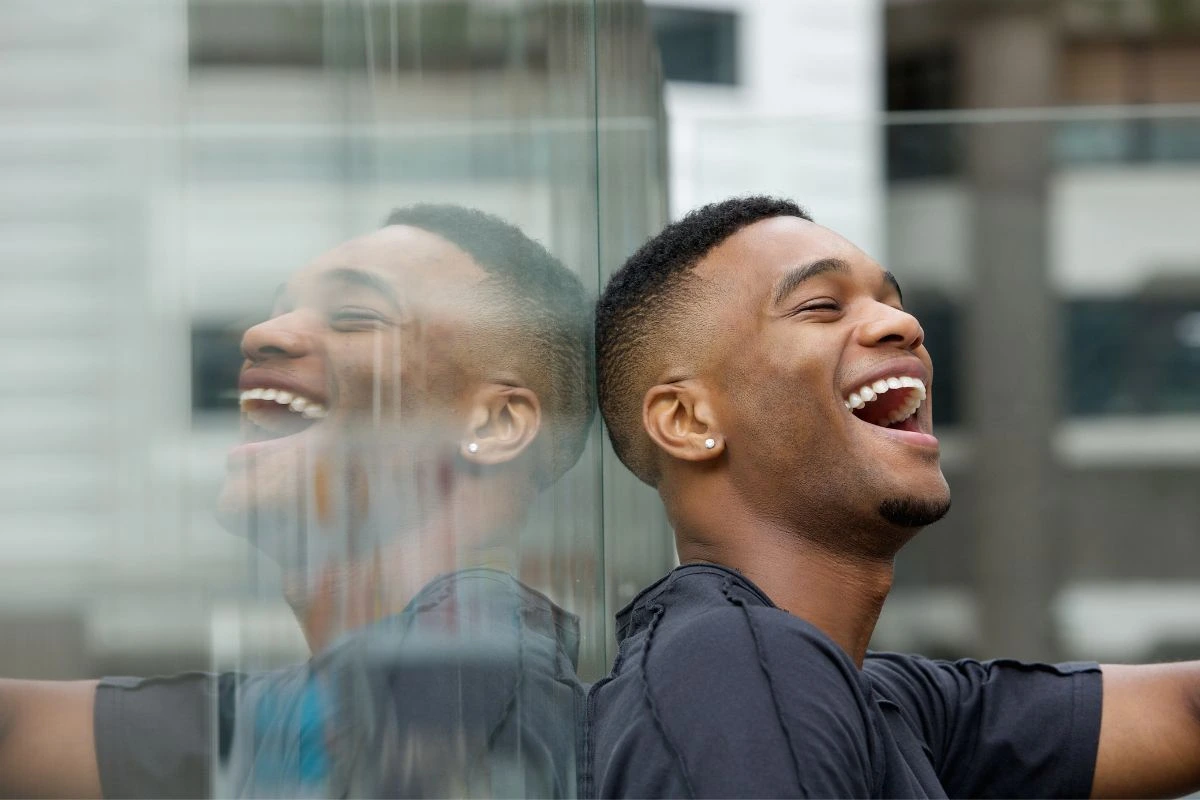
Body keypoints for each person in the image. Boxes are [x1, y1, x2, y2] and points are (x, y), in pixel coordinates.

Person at [587, 195, 1200, 798]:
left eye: (892, 302)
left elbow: (1186, 713)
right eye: (822, 306)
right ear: (686, 421)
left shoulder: (875, 702)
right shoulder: (735, 672)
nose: (904, 324)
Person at [0, 204, 594, 798]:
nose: (260, 335)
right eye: (281, 310)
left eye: (356, 316)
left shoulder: (477, 669)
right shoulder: (326, 708)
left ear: (495, 424)